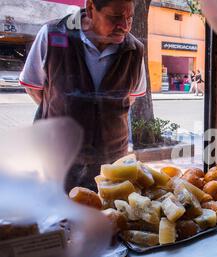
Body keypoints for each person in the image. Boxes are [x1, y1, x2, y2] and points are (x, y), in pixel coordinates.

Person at [19, 0, 146, 192]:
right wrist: (67, 109)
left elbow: (130, 97)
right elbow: (33, 87)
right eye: (115, 17)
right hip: (59, 158)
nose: (124, 26)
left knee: (108, 218)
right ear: (91, 9)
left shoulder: (134, 50)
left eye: (129, 18)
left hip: (111, 161)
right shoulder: (53, 34)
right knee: (59, 216)